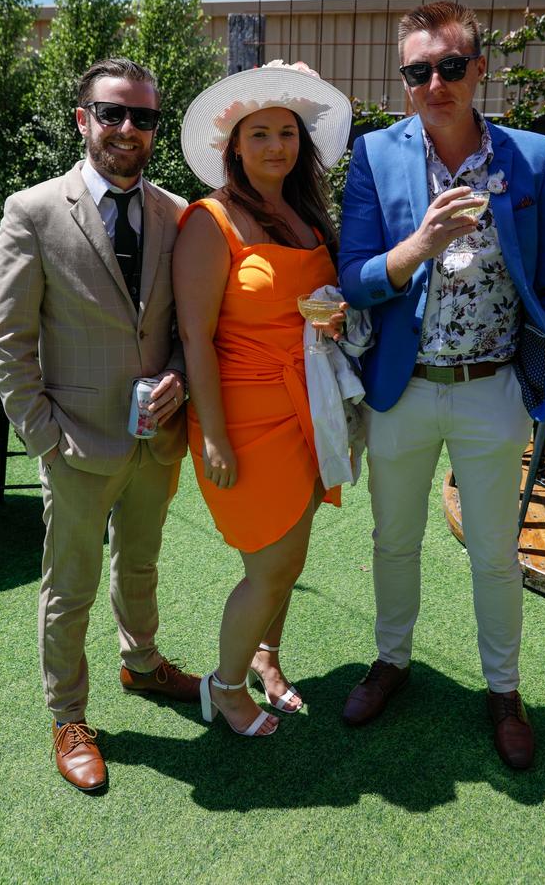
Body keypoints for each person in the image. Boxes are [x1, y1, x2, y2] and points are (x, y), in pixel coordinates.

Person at [338, 1, 545, 768]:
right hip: (403, 388)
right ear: (404, 81)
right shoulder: (374, 157)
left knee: (496, 554)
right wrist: (419, 245)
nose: (434, 82)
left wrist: (533, 371)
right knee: (393, 541)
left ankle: (504, 689)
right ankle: (392, 661)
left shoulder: (532, 157)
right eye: (417, 70)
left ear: (478, 69)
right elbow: (356, 278)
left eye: (448, 66)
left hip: (491, 389)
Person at [0, 58, 200, 792]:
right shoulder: (34, 211)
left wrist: (179, 376)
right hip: (74, 441)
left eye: (144, 117)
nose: (129, 129)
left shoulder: (176, 213)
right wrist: (42, 435)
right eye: (113, 113)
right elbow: (6, 338)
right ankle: (69, 715)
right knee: (68, 585)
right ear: (83, 119)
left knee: (140, 564)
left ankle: (141, 663)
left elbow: (184, 325)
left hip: (156, 436)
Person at [176, 61, 351, 736]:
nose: (276, 146)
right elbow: (194, 337)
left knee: (292, 554)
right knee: (270, 563)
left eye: (287, 133)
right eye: (260, 134)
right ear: (234, 146)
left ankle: (265, 659)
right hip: (242, 416)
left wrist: (330, 316)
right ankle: (223, 687)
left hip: (307, 404)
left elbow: (311, 302)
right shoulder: (209, 221)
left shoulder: (305, 214)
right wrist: (213, 434)